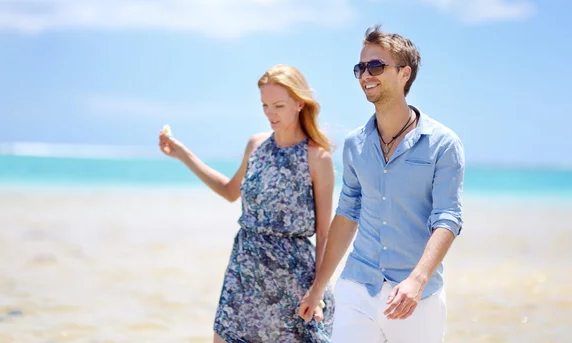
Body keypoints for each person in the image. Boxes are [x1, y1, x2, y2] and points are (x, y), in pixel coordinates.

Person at [298, 25, 465, 343]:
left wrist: (416, 280)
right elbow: (347, 214)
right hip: (357, 286)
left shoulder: (443, 144)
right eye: (360, 67)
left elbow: (448, 219)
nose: (365, 75)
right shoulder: (354, 145)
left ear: (405, 73)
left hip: (416, 296)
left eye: (376, 65)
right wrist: (319, 286)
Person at [159, 64, 335, 343]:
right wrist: (183, 155)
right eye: (265, 105)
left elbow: (326, 233)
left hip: (290, 280)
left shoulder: (317, 158)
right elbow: (230, 191)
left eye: (278, 105)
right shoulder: (256, 145)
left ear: (300, 103)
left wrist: (318, 290)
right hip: (244, 269)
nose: (270, 114)